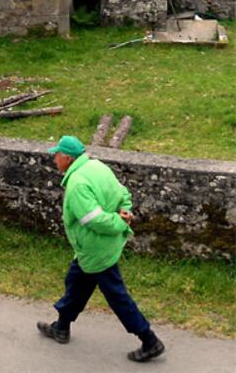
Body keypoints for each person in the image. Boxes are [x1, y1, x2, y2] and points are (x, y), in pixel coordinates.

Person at [37, 135, 165, 363]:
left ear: (67, 158)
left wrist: (120, 222)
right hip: (96, 248)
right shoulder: (97, 166)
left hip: (96, 248)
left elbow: (93, 220)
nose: (54, 159)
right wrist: (125, 211)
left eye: (56, 155)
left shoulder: (77, 183)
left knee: (117, 296)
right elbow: (122, 193)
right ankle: (62, 327)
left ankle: (150, 340)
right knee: (75, 282)